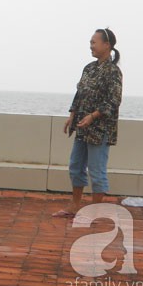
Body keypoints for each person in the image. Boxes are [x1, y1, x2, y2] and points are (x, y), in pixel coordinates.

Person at [53, 28, 122, 218]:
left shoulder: (113, 72)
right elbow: (79, 93)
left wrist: (93, 116)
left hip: (100, 130)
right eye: (90, 42)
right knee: (75, 166)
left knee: (97, 171)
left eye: (94, 42)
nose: (91, 45)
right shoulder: (89, 68)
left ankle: (94, 211)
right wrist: (72, 115)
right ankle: (74, 205)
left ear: (106, 45)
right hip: (82, 128)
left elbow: (113, 102)